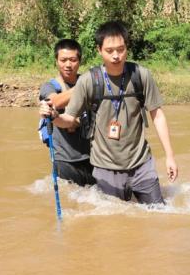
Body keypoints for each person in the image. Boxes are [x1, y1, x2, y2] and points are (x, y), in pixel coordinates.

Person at [40, 21, 178, 205]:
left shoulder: (141, 75)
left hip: (141, 164)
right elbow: (69, 119)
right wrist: (54, 116)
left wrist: (170, 156)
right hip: (105, 169)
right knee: (111, 224)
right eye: (109, 50)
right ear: (99, 50)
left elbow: (157, 115)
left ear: (127, 48)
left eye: (120, 49)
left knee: (159, 213)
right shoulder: (89, 80)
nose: (116, 56)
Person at [39, 39, 95, 187]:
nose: (68, 65)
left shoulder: (90, 82)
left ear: (80, 61)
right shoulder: (50, 86)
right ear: (56, 61)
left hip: (93, 158)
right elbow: (55, 102)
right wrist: (85, 85)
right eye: (63, 60)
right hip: (64, 160)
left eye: (73, 60)